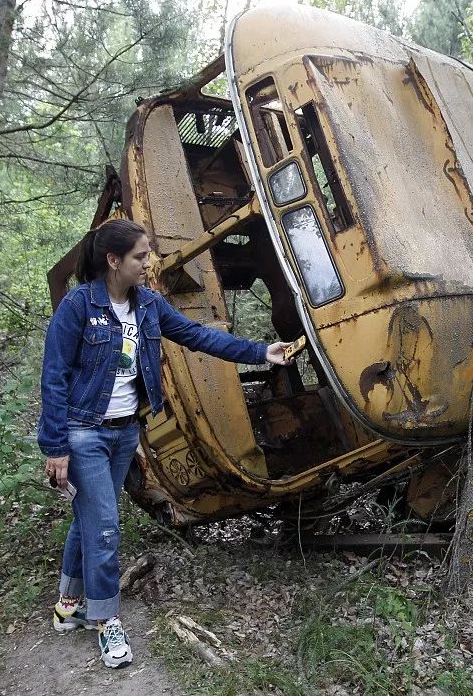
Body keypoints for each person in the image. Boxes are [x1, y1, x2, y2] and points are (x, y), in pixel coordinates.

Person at [37, 218, 293, 668]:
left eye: (148, 253)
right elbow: (54, 378)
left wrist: (258, 352)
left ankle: (67, 605)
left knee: (89, 519)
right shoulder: (79, 306)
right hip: (83, 432)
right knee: (103, 526)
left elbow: (197, 336)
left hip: (123, 433)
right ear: (113, 261)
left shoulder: (148, 305)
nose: (148, 263)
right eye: (140, 256)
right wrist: (54, 447)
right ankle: (106, 620)